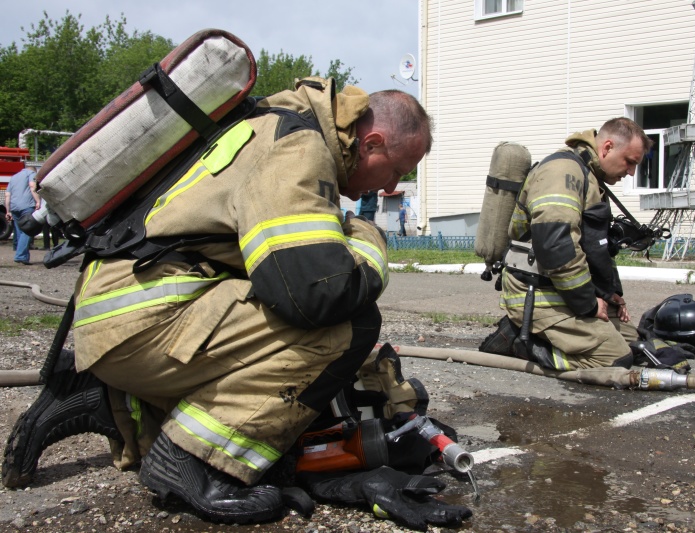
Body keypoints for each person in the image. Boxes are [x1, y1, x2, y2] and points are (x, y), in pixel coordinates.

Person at [2, 78, 471, 528]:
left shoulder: (276, 120)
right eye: (396, 171)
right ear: (370, 143)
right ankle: (192, 466)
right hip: (144, 319)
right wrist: (368, 236)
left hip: (123, 314)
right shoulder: (299, 148)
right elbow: (316, 295)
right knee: (347, 326)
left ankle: (107, 397)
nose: (387, 187)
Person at [482, 117, 692, 372]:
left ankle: (542, 335)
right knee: (613, 359)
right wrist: (589, 304)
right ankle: (520, 342)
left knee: (639, 343)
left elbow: (593, 245)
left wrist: (607, 293)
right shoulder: (563, 172)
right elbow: (556, 245)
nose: (631, 172)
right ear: (606, 148)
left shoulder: (589, 175)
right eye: (630, 162)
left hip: (559, 292)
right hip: (538, 294)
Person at [4, 164, 40, 265]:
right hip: (26, 206)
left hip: (14, 207)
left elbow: (7, 195)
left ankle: (23, 256)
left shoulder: (14, 177)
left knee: (20, 232)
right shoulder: (31, 173)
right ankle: (20, 256)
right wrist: (38, 201)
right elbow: (32, 186)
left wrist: (8, 210)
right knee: (28, 231)